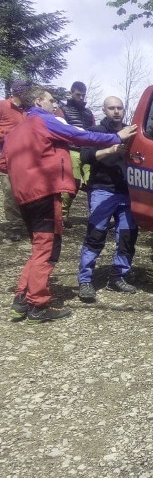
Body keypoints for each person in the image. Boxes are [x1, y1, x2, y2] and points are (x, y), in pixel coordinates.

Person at [1, 86, 137, 323]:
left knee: (38, 249)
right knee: (48, 249)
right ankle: (38, 305)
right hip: (44, 193)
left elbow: (4, 162)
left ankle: (21, 300)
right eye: (51, 101)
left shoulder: (14, 132)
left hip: (24, 196)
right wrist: (116, 137)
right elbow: (81, 136)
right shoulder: (44, 121)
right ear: (39, 101)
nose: (55, 106)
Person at [78, 96, 138, 300]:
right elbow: (85, 157)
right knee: (95, 235)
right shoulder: (96, 131)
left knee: (128, 236)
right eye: (111, 108)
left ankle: (117, 277)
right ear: (104, 110)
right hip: (102, 190)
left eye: (119, 108)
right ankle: (85, 281)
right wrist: (109, 149)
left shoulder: (132, 132)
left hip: (127, 192)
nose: (116, 111)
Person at [60, 81, 96, 226]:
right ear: (71, 93)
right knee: (71, 184)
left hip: (88, 151)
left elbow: (94, 131)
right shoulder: (62, 110)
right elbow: (59, 131)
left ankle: (96, 217)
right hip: (71, 150)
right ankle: (62, 217)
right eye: (78, 95)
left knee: (93, 184)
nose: (81, 98)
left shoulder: (88, 113)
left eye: (83, 95)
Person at [0, 80, 29, 240]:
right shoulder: (2, 106)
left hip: (25, 162)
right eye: (26, 92)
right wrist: (9, 134)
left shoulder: (28, 111)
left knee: (24, 193)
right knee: (10, 194)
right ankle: (14, 227)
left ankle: (25, 223)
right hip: (5, 161)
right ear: (18, 92)